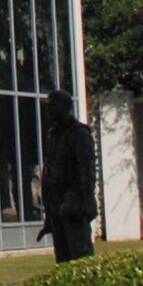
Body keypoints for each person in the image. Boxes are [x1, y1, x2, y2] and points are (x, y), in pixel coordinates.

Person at [35, 91, 100, 265]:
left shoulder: (79, 134)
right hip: (56, 208)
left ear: (64, 107)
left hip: (73, 208)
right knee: (63, 261)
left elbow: (87, 172)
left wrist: (80, 203)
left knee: (81, 260)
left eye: (52, 106)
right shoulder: (54, 134)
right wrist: (49, 215)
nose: (48, 110)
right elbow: (50, 171)